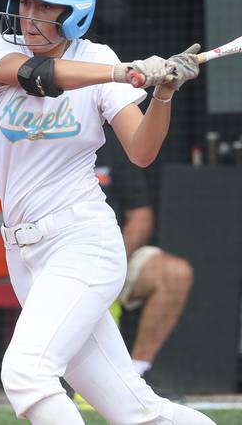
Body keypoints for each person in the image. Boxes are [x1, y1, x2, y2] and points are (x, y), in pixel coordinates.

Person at [0, 0, 215, 424]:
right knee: (135, 410)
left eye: (45, 7)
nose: (29, 16)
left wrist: (162, 93)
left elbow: (142, 150)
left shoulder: (99, 59)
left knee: (27, 372)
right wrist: (125, 73)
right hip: (23, 254)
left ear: (75, 14)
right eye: (24, 2)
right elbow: (38, 78)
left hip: (82, 242)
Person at [96, 125, 194, 379]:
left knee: (175, 273)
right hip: (53, 257)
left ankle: (136, 375)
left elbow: (141, 216)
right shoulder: (41, 138)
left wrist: (110, 261)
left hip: (109, 255)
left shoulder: (112, 142)